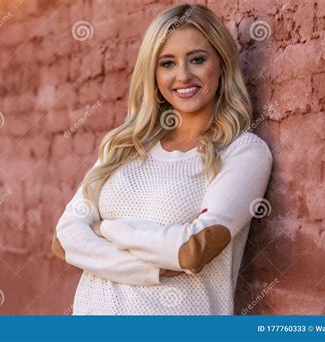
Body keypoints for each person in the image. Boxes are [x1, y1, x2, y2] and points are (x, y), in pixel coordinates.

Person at [52, 3, 273, 315]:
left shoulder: (243, 152)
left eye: (197, 59)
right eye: (167, 63)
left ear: (221, 65)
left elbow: (193, 249)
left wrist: (106, 230)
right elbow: (65, 239)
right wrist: (150, 269)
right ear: (153, 75)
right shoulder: (123, 148)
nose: (182, 75)